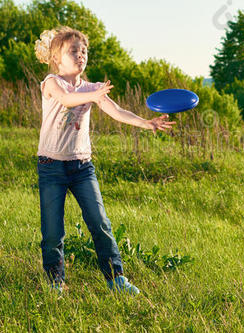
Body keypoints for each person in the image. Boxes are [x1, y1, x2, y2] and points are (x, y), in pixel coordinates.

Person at [34, 26, 175, 295]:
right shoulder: (52, 82)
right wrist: (95, 95)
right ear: (56, 58)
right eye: (73, 51)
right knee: (53, 231)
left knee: (100, 222)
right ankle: (55, 281)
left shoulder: (92, 88)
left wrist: (147, 123)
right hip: (51, 167)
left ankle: (116, 278)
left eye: (84, 51)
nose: (80, 55)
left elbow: (117, 111)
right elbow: (66, 99)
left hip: (82, 167)